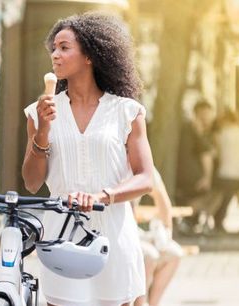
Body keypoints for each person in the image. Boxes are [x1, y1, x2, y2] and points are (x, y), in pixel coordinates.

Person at [21, 13, 154, 306]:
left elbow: (146, 179)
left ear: (90, 56)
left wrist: (102, 196)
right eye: (53, 48)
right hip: (61, 234)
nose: (55, 54)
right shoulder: (38, 112)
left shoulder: (127, 112)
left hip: (114, 234)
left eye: (64, 47)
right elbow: (31, 182)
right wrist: (43, 131)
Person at [133, 169, 183, 306]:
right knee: (149, 255)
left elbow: (162, 197)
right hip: (121, 234)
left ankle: (154, 303)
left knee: (175, 253)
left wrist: (166, 233)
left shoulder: (145, 165)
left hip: (136, 233)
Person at [176, 101, 216, 234]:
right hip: (193, 176)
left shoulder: (188, 128)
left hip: (185, 175)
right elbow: (206, 154)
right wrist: (207, 178)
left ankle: (190, 221)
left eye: (208, 115)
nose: (207, 118)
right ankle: (186, 219)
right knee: (217, 192)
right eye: (203, 115)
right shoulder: (194, 129)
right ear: (196, 114)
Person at [210, 111, 239, 234]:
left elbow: (216, 153)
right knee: (238, 195)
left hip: (226, 172)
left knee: (219, 196)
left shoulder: (221, 134)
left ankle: (209, 220)